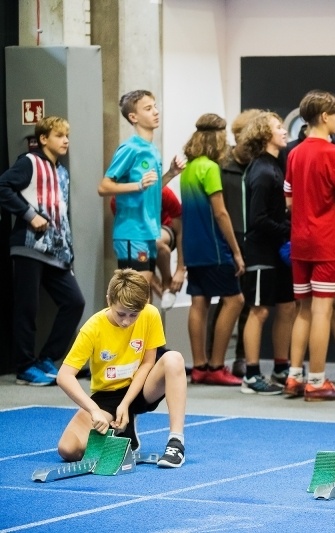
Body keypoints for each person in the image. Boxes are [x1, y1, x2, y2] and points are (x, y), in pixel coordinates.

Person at [56, 269, 187, 468]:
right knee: (68, 449)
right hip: (107, 395)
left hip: (141, 387)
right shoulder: (92, 328)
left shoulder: (150, 314)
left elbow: (147, 363)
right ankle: (123, 432)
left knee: (173, 359)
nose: (126, 321)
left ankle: (176, 442)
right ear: (109, 300)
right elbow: (64, 376)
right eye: (121, 314)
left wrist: (126, 404)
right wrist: (94, 410)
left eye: (134, 315)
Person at [283, 90, 335, 401]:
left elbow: (288, 200)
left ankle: (294, 375)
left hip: (299, 240)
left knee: (303, 309)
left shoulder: (294, 153)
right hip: (326, 240)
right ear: (325, 117)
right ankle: (316, 380)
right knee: (322, 310)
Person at [0, 116, 85, 386]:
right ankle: (25, 367)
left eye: (67, 136)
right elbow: (3, 186)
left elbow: (62, 213)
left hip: (56, 252)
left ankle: (47, 358)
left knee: (74, 302)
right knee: (27, 307)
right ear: (44, 139)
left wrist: (68, 251)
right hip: (29, 246)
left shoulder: (61, 171)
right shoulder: (29, 162)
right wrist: (28, 214)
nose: (66, 141)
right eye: (60, 136)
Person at [179, 113, 245, 386]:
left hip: (193, 247)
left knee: (199, 301)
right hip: (213, 248)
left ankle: (200, 366)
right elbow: (221, 213)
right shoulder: (209, 168)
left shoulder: (189, 169)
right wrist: (237, 252)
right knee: (235, 300)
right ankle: (216, 366)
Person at [234, 111, 294, 395]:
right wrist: (287, 229)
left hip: (277, 253)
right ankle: (252, 374)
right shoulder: (261, 170)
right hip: (260, 253)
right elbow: (258, 218)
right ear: (264, 134)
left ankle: (281, 367)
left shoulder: (274, 166)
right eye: (278, 127)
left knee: (286, 307)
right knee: (258, 311)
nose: (284, 131)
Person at [97, 90, 184, 284]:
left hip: (148, 232)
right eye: (148, 108)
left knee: (141, 300)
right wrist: (137, 185)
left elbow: (151, 187)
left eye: (155, 106)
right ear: (133, 117)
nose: (155, 111)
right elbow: (104, 187)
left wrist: (170, 173)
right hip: (131, 234)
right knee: (133, 301)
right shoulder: (130, 148)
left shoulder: (152, 150)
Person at [217, 108, 263, 379]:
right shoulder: (222, 164)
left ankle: (243, 359)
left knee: (249, 304)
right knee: (225, 301)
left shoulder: (261, 166)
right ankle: (215, 361)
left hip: (253, 241)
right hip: (226, 241)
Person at [110, 186, 184, 308]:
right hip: (138, 240)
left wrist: (180, 269)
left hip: (163, 232)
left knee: (155, 242)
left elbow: (181, 231)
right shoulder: (118, 200)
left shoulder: (164, 192)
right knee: (142, 287)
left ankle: (166, 281)